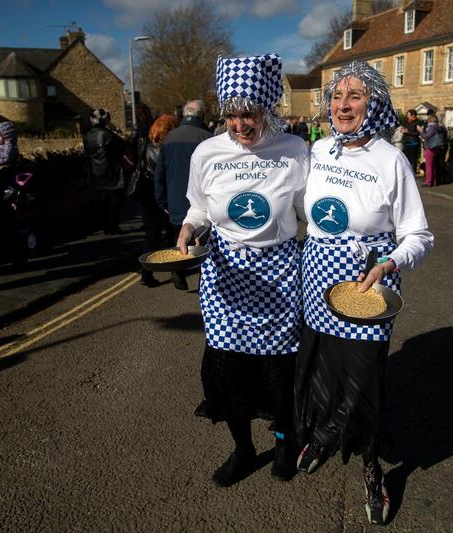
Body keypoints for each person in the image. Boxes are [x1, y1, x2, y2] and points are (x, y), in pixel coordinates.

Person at [295, 61, 434, 526]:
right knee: (321, 366)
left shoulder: (390, 160)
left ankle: (371, 465)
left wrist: (390, 262)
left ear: (373, 103)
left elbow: (419, 235)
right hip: (316, 278)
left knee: (364, 378)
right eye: (336, 96)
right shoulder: (317, 151)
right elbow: (280, 197)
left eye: (354, 96)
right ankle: (323, 435)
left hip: (368, 282)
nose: (342, 105)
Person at [176, 53, 309, 487]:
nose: (239, 125)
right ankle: (243, 448)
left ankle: (286, 441)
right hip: (225, 272)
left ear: (267, 108)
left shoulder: (294, 150)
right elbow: (198, 206)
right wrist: (189, 229)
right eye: (231, 116)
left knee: (278, 371)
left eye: (248, 114)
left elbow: (310, 212)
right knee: (230, 369)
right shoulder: (207, 153)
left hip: (279, 272)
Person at [154, 99, 212, 290]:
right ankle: (205, 277)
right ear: (201, 115)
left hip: (175, 198)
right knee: (204, 242)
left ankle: (178, 270)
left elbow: (159, 172)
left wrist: (161, 200)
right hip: (203, 198)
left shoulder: (169, 137)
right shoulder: (207, 137)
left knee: (179, 237)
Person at [135, 113, 177, 287]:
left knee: (151, 236)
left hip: (145, 195)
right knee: (172, 233)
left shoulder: (145, 145)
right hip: (162, 195)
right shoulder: (168, 148)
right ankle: (176, 269)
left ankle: (146, 273)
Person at [83, 108, 128, 235]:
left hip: (95, 172)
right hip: (110, 173)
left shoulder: (87, 135)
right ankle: (113, 226)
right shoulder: (106, 134)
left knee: (102, 202)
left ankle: (105, 227)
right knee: (113, 202)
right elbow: (123, 145)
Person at [417, 110, 446, 187]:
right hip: (436, 147)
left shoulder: (432, 127)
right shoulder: (439, 127)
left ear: (430, 120)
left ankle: (428, 182)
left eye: (428, 119)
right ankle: (434, 180)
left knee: (429, 165)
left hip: (430, 147)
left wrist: (421, 131)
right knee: (433, 165)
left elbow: (426, 136)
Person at [401, 109, 423, 174]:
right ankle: (408, 172)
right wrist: (403, 131)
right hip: (406, 143)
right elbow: (406, 131)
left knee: (413, 160)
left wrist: (408, 132)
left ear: (413, 115)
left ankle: (413, 173)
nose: (407, 116)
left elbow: (418, 133)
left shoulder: (418, 123)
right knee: (406, 159)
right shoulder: (407, 123)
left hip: (413, 143)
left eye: (408, 115)